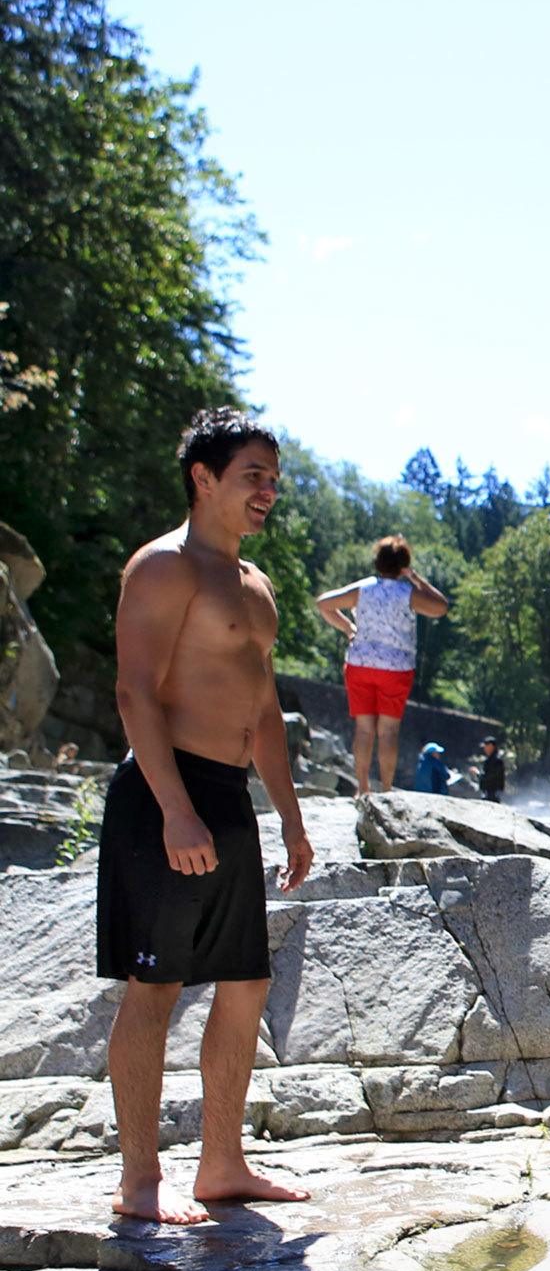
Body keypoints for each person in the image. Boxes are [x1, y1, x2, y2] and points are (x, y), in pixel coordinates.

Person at [98, 407, 316, 1224]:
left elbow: (262, 712)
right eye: (252, 475)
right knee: (153, 987)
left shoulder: (255, 586)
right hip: (165, 795)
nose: (267, 491)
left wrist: (289, 816)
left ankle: (222, 1163)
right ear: (204, 477)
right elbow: (133, 691)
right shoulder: (163, 567)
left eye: (273, 479)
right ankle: (140, 1180)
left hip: (226, 798)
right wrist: (175, 810)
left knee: (247, 982)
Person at [314, 536, 449, 793]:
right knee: (388, 732)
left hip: (360, 664)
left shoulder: (363, 589)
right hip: (396, 669)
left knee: (364, 729)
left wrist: (348, 628)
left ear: (377, 562)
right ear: (403, 566)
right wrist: (416, 579)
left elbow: (324, 604)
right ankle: (386, 790)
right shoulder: (408, 594)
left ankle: (362, 788)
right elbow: (441, 607)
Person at [472, 736, 506, 803]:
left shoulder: (496, 760)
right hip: (489, 792)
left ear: (491, 746)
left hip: (493, 794)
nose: (484, 748)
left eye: (485, 746)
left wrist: (477, 773)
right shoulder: (490, 759)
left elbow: (489, 776)